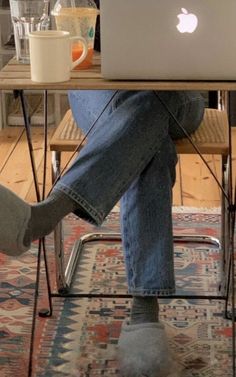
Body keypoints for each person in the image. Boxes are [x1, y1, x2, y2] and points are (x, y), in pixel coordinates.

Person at [0, 3, 205, 377]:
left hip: (182, 91)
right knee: (149, 146)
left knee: (151, 105)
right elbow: (66, 31)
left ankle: (44, 215)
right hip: (98, 88)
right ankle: (145, 314)